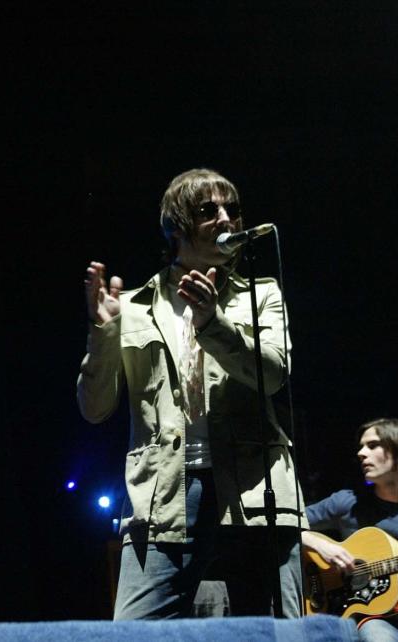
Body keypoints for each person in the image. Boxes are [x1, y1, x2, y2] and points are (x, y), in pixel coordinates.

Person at [77, 168, 306, 619]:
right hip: (163, 495)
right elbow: (94, 408)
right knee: (135, 630)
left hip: (255, 489)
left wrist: (213, 323)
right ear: (177, 228)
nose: (226, 219)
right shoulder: (134, 305)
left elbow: (276, 375)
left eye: (232, 209)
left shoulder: (259, 294)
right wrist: (103, 332)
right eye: (209, 211)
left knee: (275, 632)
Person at [303, 418, 398, 641]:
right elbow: (284, 522)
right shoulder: (346, 503)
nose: (361, 453)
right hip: (373, 616)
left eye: (373, 445)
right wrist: (321, 545)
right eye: (361, 446)